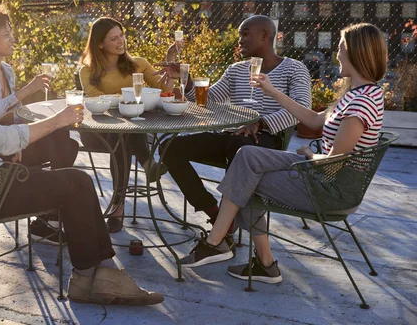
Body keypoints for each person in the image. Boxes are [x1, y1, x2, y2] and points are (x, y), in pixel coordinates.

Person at [0, 18, 163, 306]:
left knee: (66, 166)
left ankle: (96, 275)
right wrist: (58, 120)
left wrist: (5, 143)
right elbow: (0, 140)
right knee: (77, 183)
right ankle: (96, 277)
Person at [180, 23, 386, 285]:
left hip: (329, 189)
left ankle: (219, 244)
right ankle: (248, 257)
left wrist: (309, 156)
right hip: (321, 175)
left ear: (358, 54)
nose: (337, 55)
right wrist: (273, 91)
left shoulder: (361, 104)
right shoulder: (359, 93)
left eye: (341, 49)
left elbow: (332, 165)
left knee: (246, 181)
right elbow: (313, 120)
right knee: (247, 155)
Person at [159, 15, 312, 232]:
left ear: (265, 35)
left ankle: (222, 229)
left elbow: (301, 110)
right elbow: (209, 101)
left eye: (245, 34)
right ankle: (216, 213)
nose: (239, 40)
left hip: (265, 144)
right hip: (232, 138)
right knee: (170, 147)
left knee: (240, 143)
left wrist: (261, 123)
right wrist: (187, 78)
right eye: (240, 35)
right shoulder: (236, 69)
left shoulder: (294, 69)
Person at [0, 5, 80, 244]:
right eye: (6, 35)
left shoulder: (7, 70)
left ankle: (48, 218)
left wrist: (22, 137)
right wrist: (26, 92)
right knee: (63, 146)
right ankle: (49, 217)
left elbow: (12, 116)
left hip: (11, 145)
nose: (13, 39)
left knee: (64, 141)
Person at [78, 17, 173, 233]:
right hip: (98, 131)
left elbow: (161, 89)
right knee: (128, 128)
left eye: (121, 35)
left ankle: (117, 206)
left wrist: (170, 76)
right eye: (114, 38)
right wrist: (129, 99)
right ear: (99, 44)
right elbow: (96, 99)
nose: (121, 41)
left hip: (127, 131)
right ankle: (148, 163)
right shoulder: (88, 71)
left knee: (126, 132)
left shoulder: (139, 64)